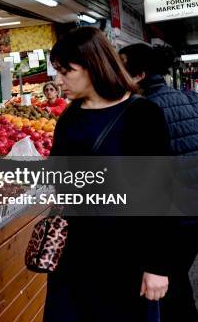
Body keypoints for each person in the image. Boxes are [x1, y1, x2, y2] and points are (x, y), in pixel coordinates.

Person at [44, 27, 173, 322]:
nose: (58, 81)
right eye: (57, 71)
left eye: (66, 71)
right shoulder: (69, 117)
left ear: (93, 66)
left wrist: (158, 265)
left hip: (125, 259)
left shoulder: (142, 115)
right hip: (73, 257)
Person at [120, 43, 198, 322]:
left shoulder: (141, 109)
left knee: (170, 282)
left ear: (139, 74)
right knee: (175, 278)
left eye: (121, 66)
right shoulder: (190, 98)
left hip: (176, 210)